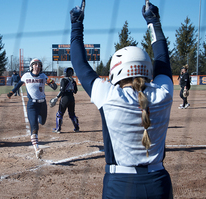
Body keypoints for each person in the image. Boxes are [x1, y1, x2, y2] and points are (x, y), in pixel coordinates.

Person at [70, 2, 173, 198]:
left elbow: (79, 63)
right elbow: (162, 59)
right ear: (147, 69)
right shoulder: (163, 94)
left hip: (120, 185)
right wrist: (153, 21)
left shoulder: (110, 96)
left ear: (116, 71)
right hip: (159, 183)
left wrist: (76, 24)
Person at [7, 58, 58, 159]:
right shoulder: (26, 76)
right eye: (35, 65)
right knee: (34, 127)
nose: (37, 67)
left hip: (42, 104)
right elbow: (18, 85)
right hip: (32, 105)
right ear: (31, 66)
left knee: (42, 122)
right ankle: (37, 149)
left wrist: (51, 82)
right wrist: (12, 92)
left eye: (39, 65)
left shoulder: (43, 76)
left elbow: (54, 87)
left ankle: (38, 120)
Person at [51, 67, 79, 133]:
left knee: (59, 114)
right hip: (72, 98)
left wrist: (57, 97)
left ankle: (58, 129)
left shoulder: (63, 80)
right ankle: (77, 128)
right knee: (72, 114)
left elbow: (62, 90)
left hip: (65, 98)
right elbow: (75, 91)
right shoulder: (73, 81)